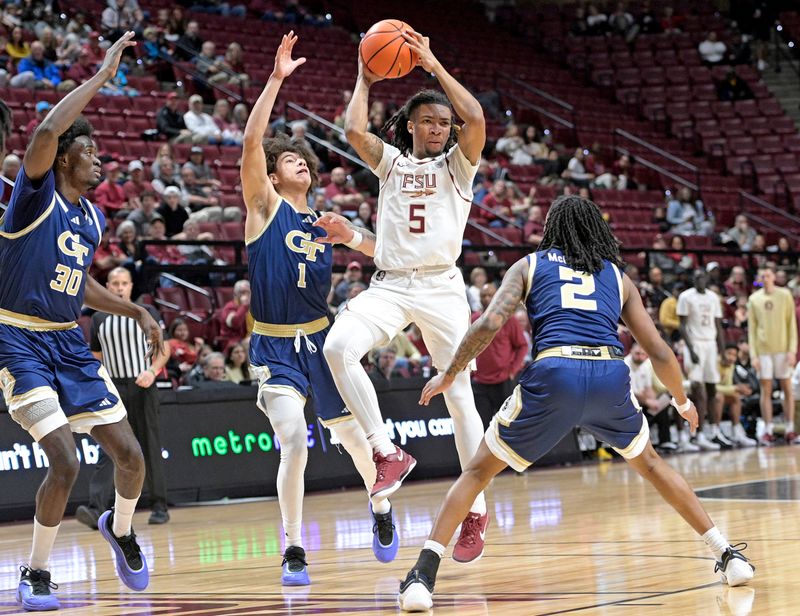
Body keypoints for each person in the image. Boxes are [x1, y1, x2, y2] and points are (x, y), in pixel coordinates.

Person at [396, 196, 754, 611]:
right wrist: (681, 399)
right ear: (596, 230)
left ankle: (423, 576)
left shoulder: (529, 264)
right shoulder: (618, 277)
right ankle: (727, 555)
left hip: (556, 371)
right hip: (608, 373)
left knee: (476, 471)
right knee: (653, 465)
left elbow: (491, 322)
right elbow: (658, 350)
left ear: (552, 229)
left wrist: (451, 371)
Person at [314, 28, 490, 563]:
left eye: (444, 123)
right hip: (390, 284)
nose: (438, 129)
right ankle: (386, 451)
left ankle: (475, 510)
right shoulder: (390, 163)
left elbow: (477, 118)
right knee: (338, 347)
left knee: (459, 398)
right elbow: (352, 128)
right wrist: (365, 77)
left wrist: (433, 63)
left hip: (441, 288)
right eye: (429, 122)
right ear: (411, 126)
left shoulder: (459, 166)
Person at [0, 32, 160, 611]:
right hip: (17, 339)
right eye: (91, 153)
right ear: (66, 155)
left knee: (131, 456)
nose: (99, 161)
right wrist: (103, 75)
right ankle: (37, 570)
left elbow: (81, 282)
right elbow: (44, 132)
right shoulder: (32, 196)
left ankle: (120, 528)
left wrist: (134, 307)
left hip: (68, 342)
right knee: (65, 459)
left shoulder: (90, 216)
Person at [240, 32, 397, 586]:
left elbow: (389, 254)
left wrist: (353, 237)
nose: (297, 165)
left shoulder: (325, 222)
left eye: (302, 160)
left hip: (322, 340)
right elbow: (251, 143)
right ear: (276, 174)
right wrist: (277, 79)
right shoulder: (263, 208)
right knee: (291, 439)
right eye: (288, 160)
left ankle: (380, 508)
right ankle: (294, 548)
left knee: (353, 439)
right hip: (275, 343)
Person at [76, 267, 170, 530]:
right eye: (114, 283)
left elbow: (164, 348)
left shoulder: (147, 313)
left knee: (150, 446)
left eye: (124, 283)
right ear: (107, 286)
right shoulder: (98, 318)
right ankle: (96, 509)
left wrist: (152, 371)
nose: (119, 288)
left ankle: (159, 505)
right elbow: (96, 356)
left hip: (143, 386)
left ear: (131, 286)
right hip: (114, 388)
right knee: (108, 449)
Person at [677, 269, 732, 450]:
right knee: (698, 389)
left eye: (702, 277)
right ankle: (697, 433)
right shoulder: (686, 297)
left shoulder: (713, 297)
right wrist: (690, 348)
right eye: (696, 277)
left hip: (711, 345)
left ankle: (714, 431)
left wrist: (723, 352)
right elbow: (682, 326)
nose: (699, 279)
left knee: (712, 389)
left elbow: (718, 326)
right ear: (693, 279)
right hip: (695, 344)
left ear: (707, 279)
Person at [748, 264, 798, 445]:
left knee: (787, 389)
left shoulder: (785, 295)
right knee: (766, 390)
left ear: (774, 276)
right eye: (763, 276)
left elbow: (791, 324)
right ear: (760, 279)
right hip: (763, 351)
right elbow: (751, 331)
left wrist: (792, 350)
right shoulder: (754, 299)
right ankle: (768, 430)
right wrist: (753, 355)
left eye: (768, 275)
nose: (766, 278)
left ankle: (790, 428)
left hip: (783, 349)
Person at [471, 282, 528, 427]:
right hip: (479, 382)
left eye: (490, 295)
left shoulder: (509, 319)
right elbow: (467, 347)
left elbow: (522, 346)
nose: (487, 298)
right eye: (484, 295)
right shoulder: (473, 319)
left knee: (507, 424)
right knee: (481, 425)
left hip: (503, 380)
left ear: (497, 296)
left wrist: (512, 370)